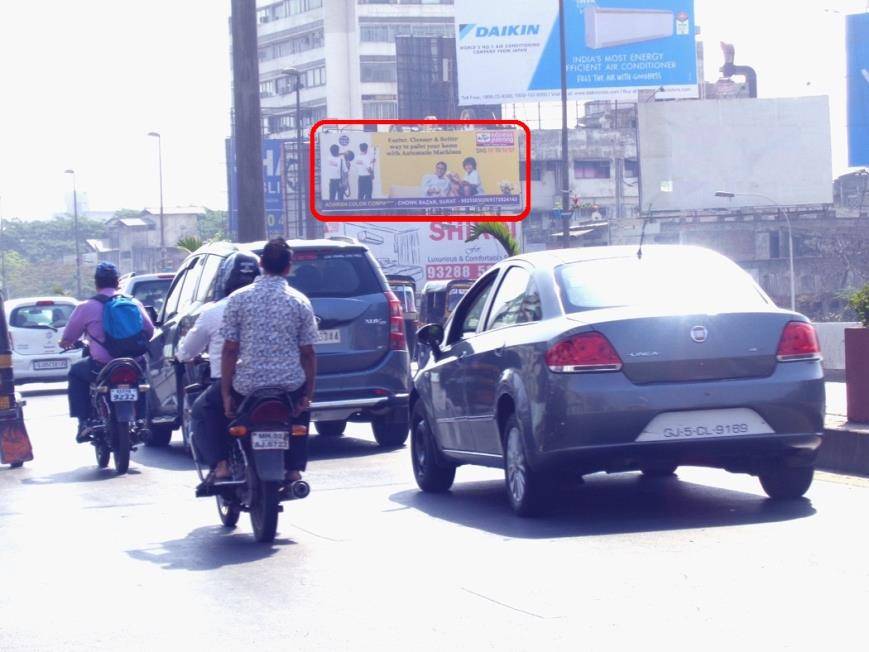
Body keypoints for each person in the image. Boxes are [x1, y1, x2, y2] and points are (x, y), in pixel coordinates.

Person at [218, 238, 318, 483]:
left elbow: (230, 350)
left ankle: (223, 466)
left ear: (261, 263)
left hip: (247, 386)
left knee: (213, 410)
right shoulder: (299, 301)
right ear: (288, 267)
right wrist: (308, 394)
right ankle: (293, 469)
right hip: (288, 387)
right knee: (301, 413)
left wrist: (225, 395)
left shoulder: (238, 299)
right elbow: (308, 354)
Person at [176, 252, 259, 481]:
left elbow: (186, 351)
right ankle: (292, 469)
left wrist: (183, 354)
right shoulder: (270, 306)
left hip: (230, 383)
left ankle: (221, 466)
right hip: (270, 381)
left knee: (201, 411)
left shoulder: (214, 311)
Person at [60, 262, 155, 443]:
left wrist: (65, 343)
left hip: (101, 365)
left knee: (75, 373)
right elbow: (149, 332)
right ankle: (142, 420)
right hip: (133, 362)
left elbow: (68, 338)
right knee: (143, 383)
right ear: (117, 282)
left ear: (96, 283)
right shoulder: (133, 302)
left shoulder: (86, 307)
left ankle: (84, 421)